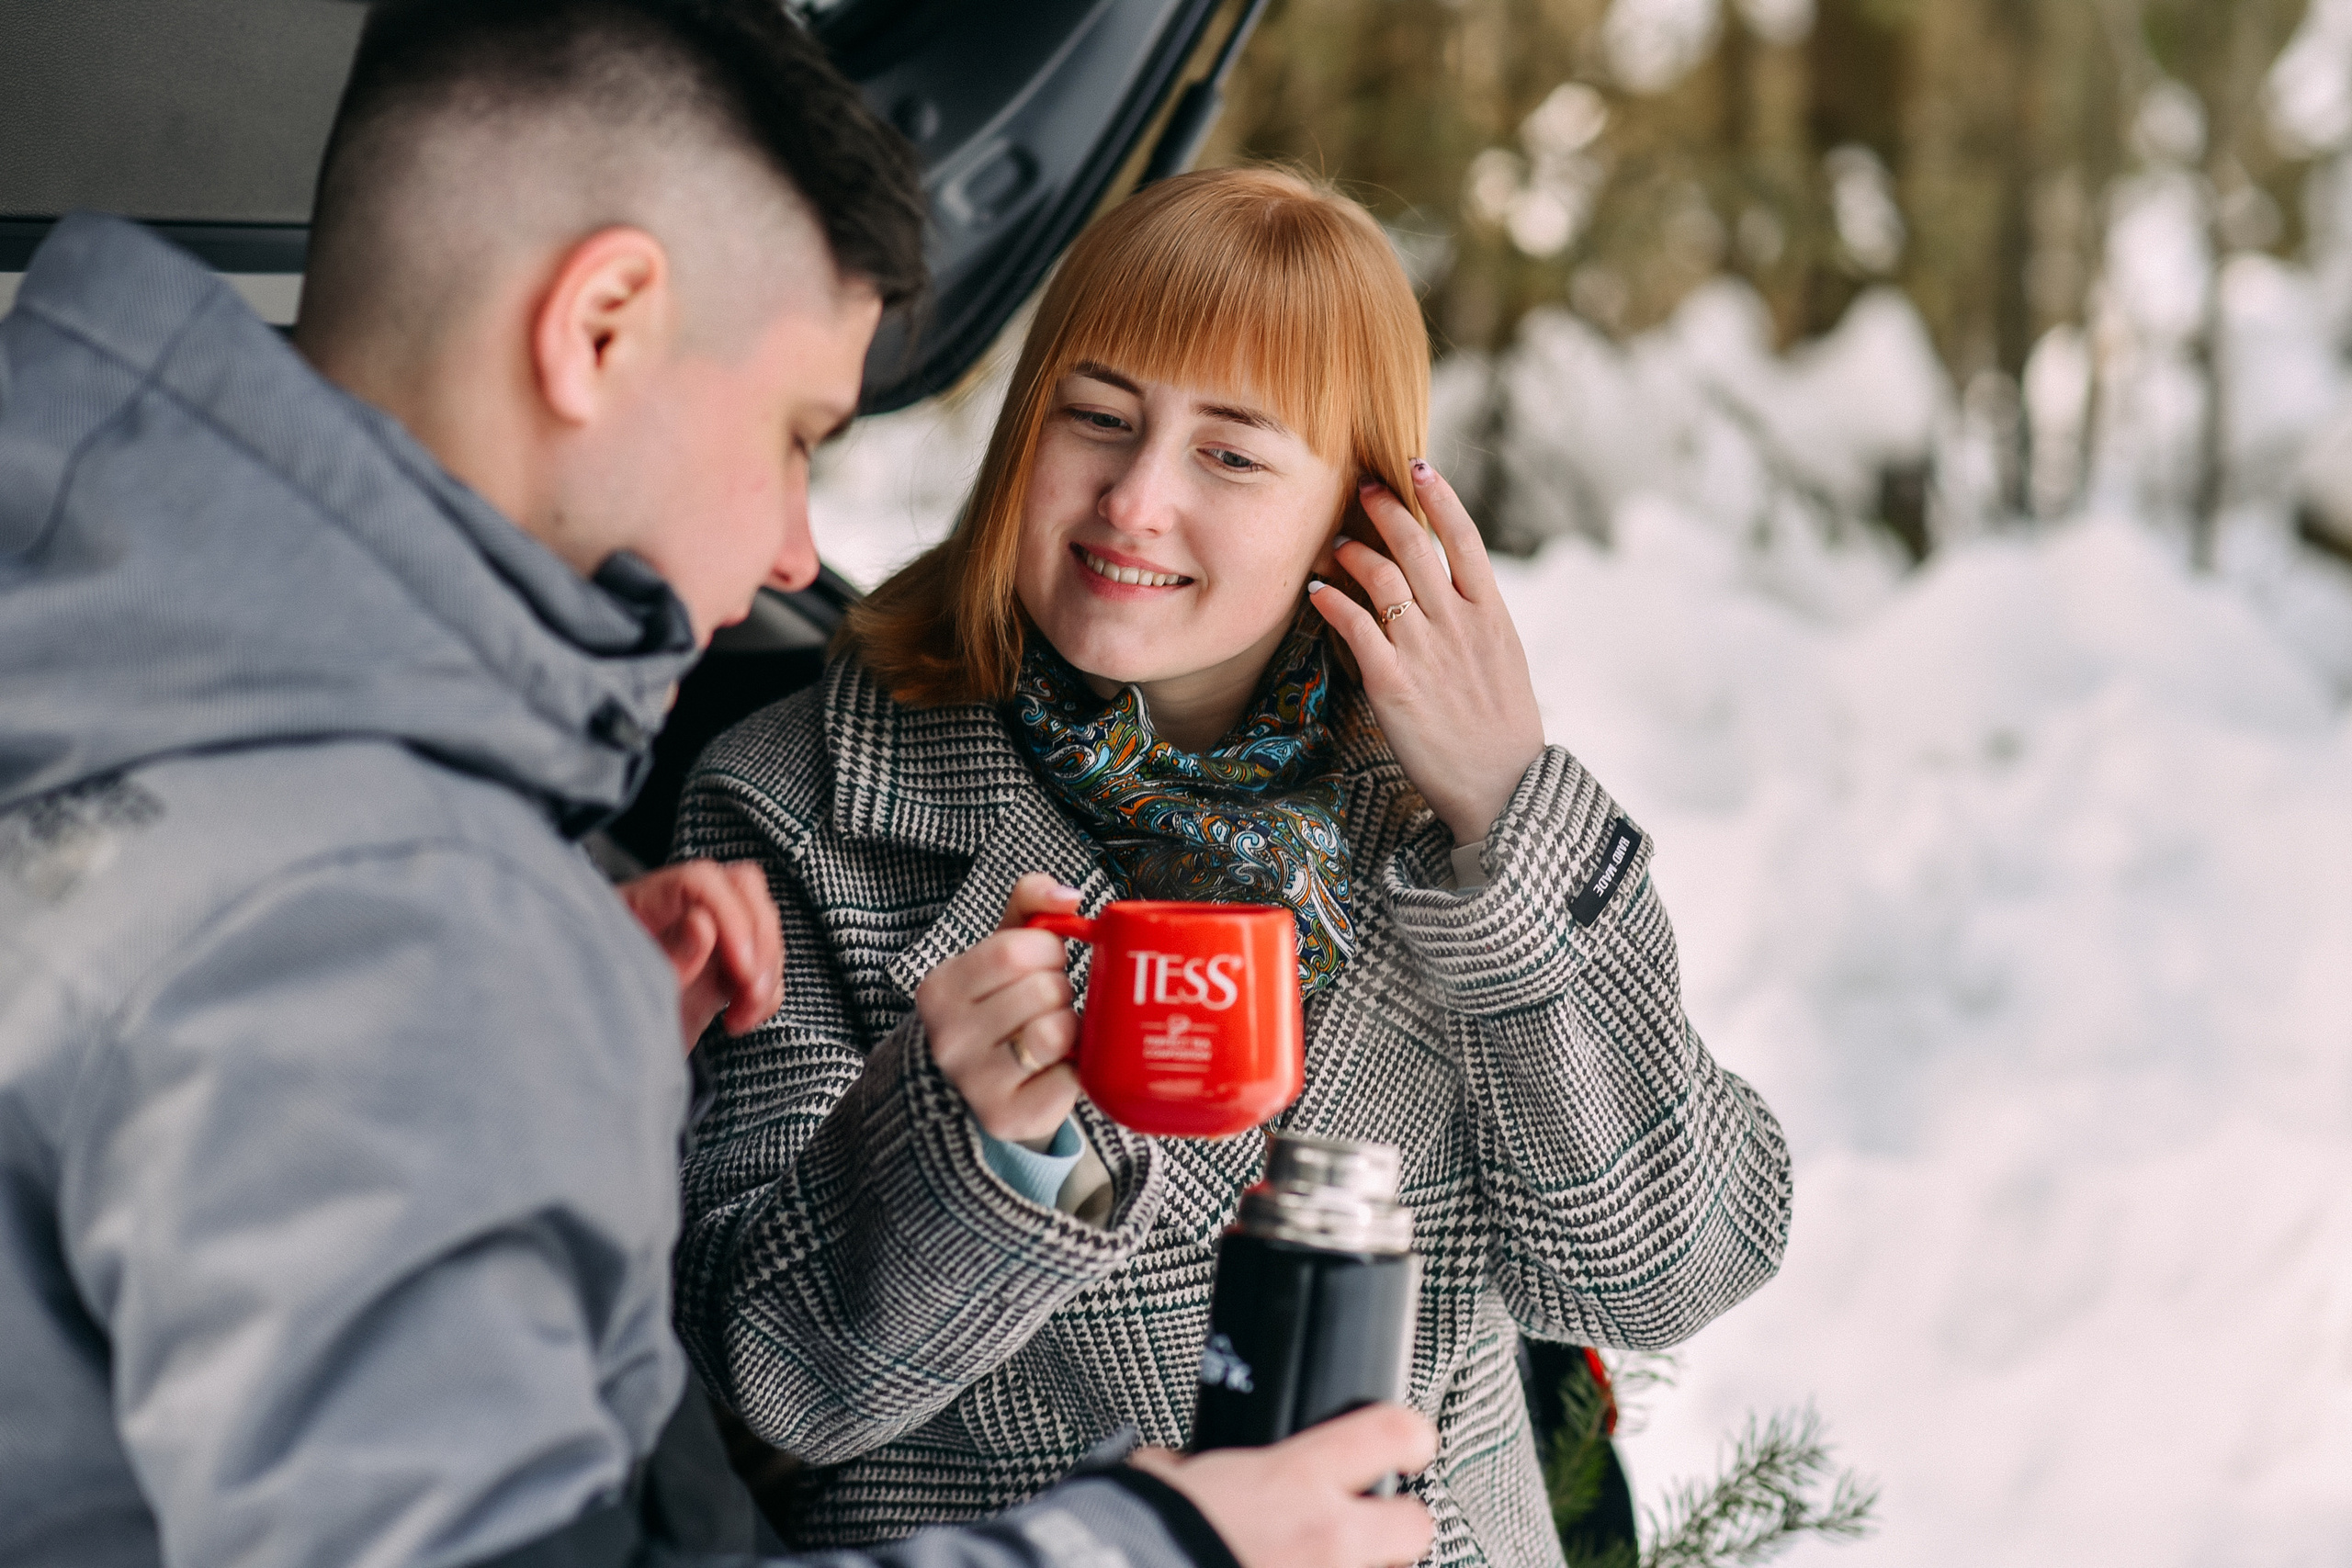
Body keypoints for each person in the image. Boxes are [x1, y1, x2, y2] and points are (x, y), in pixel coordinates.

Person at [0, 5, 1436, 1566]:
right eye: (796, 433)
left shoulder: (130, 720)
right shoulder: (387, 911)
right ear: (601, 324)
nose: (793, 554)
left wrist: (548, 1051)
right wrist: (1158, 1551)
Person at [671, 166, 1797, 1564]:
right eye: (1099, 418)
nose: (1135, 501)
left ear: (1361, 512)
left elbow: (1663, 1274)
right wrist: (975, 1147)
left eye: (1232, 453)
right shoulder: (801, 803)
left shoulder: (1451, 825)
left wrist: (1505, 817)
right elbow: (768, 1379)